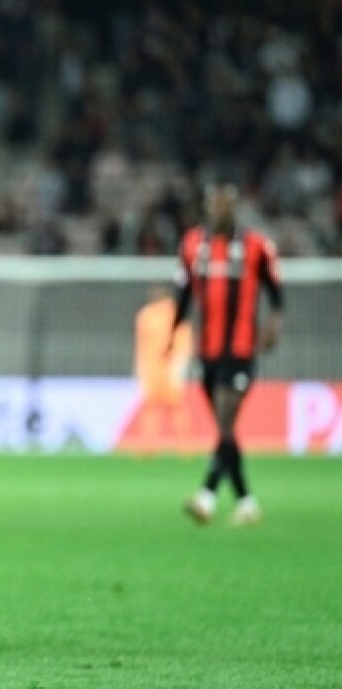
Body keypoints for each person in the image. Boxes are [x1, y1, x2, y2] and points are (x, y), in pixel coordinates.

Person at [175, 181, 283, 526]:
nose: (220, 209)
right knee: (226, 432)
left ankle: (206, 496)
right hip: (207, 351)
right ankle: (247, 503)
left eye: (226, 203)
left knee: (225, 424)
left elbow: (276, 293)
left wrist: (273, 325)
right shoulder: (192, 245)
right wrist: (173, 334)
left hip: (240, 350)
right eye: (215, 203)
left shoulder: (256, 246)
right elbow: (184, 294)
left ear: (235, 206)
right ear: (207, 206)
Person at [132, 283, 193, 456]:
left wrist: (180, 365)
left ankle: (185, 446)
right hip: (152, 368)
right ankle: (148, 446)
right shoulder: (145, 315)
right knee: (151, 407)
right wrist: (139, 368)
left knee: (176, 407)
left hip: (170, 368)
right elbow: (141, 344)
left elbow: (184, 340)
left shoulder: (175, 313)